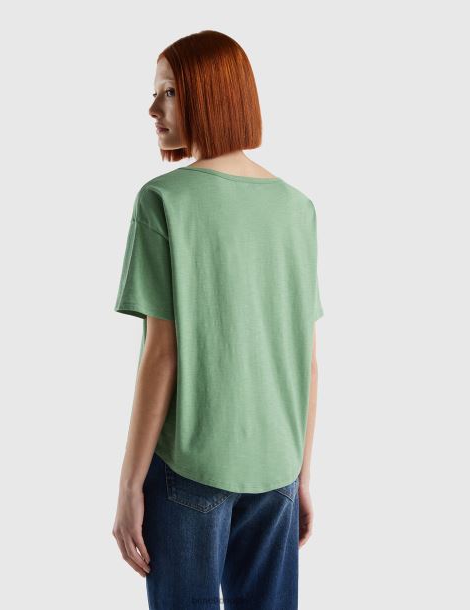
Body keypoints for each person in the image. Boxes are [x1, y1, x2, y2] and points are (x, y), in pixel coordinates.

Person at [111, 30, 323, 610]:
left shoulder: (164, 201)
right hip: (278, 467)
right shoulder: (297, 208)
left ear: (208, 94)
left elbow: (162, 354)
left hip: (192, 467)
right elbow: (305, 358)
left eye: (168, 92)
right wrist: (303, 475)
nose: (153, 109)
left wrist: (130, 486)